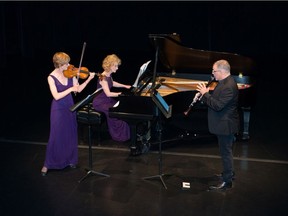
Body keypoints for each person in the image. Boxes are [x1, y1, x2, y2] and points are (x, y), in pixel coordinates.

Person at [41, 52, 96, 176]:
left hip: (70, 107)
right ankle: (48, 163)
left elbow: (79, 89)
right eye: (66, 63)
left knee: (70, 133)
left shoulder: (70, 73)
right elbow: (56, 96)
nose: (69, 65)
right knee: (55, 135)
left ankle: (70, 160)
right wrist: (70, 89)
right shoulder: (51, 77)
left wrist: (89, 79)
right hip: (58, 109)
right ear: (59, 64)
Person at [196, 59, 239, 191]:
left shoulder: (228, 86)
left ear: (221, 71)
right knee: (225, 151)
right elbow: (215, 100)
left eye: (214, 71)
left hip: (225, 125)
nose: (212, 73)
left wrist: (205, 94)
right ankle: (228, 173)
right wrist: (203, 97)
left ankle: (227, 181)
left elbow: (218, 105)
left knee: (226, 153)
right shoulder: (223, 82)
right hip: (223, 123)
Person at [92, 54, 131, 142]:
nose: (117, 68)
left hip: (106, 100)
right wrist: (120, 94)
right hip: (100, 102)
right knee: (115, 113)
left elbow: (113, 83)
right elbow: (108, 94)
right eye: (116, 66)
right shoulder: (103, 77)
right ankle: (119, 136)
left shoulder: (108, 75)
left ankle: (125, 134)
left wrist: (125, 86)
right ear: (110, 65)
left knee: (122, 109)